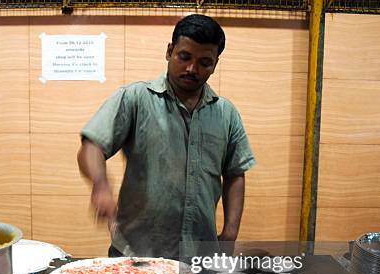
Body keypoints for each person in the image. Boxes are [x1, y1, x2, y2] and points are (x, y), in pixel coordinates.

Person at [77, 14, 255, 258]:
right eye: (185, 57)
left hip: (200, 257)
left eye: (205, 62)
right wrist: (100, 184)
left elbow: (235, 174)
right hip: (136, 254)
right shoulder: (135, 98)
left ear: (215, 63)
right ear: (170, 51)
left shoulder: (226, 113)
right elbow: (92, 145)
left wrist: (230, 232)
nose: (192, 68)